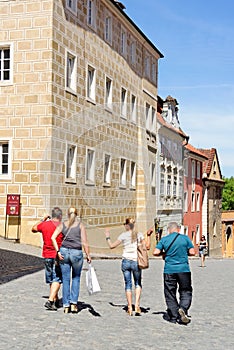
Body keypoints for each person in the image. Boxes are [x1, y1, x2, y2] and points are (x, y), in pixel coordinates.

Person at [105, 218, 153, 316]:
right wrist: (149, 236)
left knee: (128, 284)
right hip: (136, 261)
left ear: (126, 225)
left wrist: (107, 237)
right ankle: (137, 305)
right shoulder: (139, 235)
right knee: (138, 283)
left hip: (126, 261)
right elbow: (147, 246)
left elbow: (111, 246)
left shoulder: (123, 235)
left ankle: (130, 307)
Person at [153, 222, 195, 324]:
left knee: (170, 293)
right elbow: (193, 252)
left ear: (169, 230)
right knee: (185, 291)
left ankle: (174, 315)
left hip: (169, 270)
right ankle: (183, 309)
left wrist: (164, 253)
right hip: (184, 269)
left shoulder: (164, 240)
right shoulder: (185, 238)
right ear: (179, 229)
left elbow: (155, 252)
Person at [51, 207, 91, 314]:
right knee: (76, 278)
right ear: (76, 214)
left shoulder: (63, 224)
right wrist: (88, 254)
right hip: (76, 253)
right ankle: (73, 303)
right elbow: (85, 242)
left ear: (67, 214)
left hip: (64, 252)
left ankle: (66, 305)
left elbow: (53, 237)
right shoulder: (80, 225)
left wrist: (58, 251)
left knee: (66, 279)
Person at [31, 207, 63, 311]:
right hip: (57, 255)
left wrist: (43, 219)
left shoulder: (45, 225)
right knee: (57, 278)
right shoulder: (61, 226)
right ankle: (50, 301)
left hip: (46, 254)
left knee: (51, 279)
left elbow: (33, 228)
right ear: (60, 216)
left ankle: (55, 299)